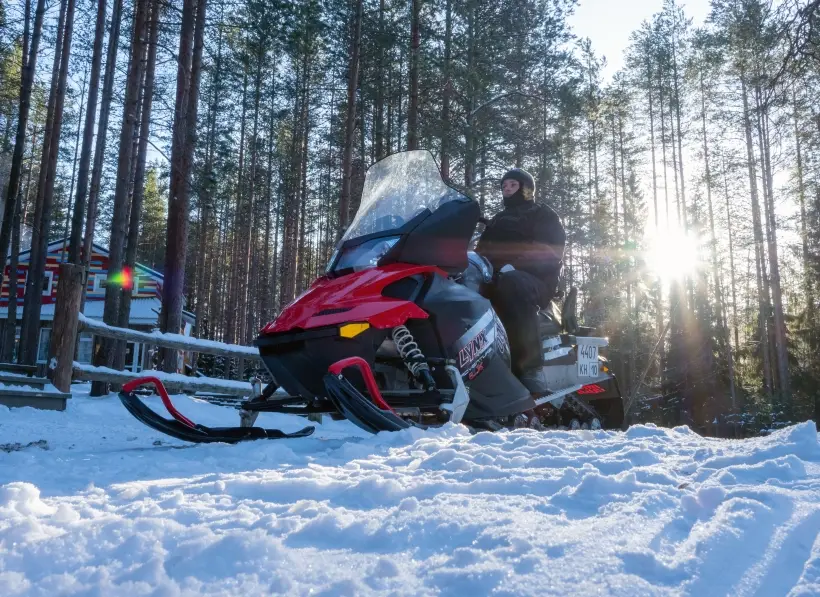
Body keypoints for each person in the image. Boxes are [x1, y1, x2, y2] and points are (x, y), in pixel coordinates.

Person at [476, 168, 566, 393]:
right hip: (497, 279)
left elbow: (549, 250)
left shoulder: (541, 213)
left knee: (512, 283)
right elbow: (481, 252)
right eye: (504, 186)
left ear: (526, 188)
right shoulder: (496, 220)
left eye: (513, 185)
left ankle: (529, 369)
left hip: (535, 280)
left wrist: (515, 266)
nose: (507, 189)